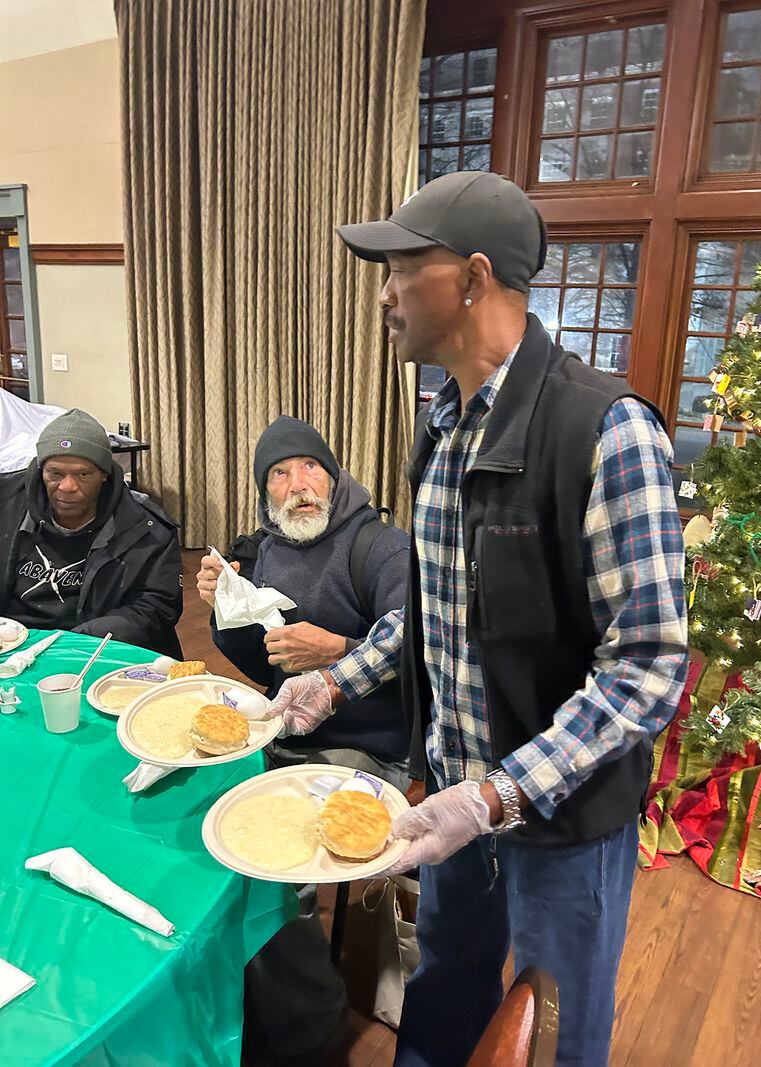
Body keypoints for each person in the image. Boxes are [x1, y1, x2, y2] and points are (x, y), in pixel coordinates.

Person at [267, 172, 689, 1067]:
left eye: (401, 267)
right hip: (452, 804)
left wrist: (500, 793)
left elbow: (647, 666)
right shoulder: (444, 427)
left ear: (472, 279)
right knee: (444, 993)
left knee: (551, 1030)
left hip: (557, 819)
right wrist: (331, 682)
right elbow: (430, 615)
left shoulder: (604, 430)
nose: (383, 294)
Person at [196, 414, 410, 1066]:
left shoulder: (378, 545)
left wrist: (340, 648)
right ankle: (241, 997)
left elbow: (420, 640)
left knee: (278, 858)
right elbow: (268, 663)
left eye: (309, 466)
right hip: (288, 727)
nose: (298, 485)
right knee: (207, 824)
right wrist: (224, 609)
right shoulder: (272, 547)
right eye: (279, 474)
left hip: (370, 745)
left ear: (335, 473)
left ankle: (307, 1024)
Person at [0, 408, 182, 657]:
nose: (67, 486)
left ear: (104, 474)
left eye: (83, 474)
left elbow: (156, 607)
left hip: (95, 649)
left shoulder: (147, 528)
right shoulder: (6, 502)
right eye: (55, 474)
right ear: (41, 470)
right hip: (10, 642)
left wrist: (73, 642)